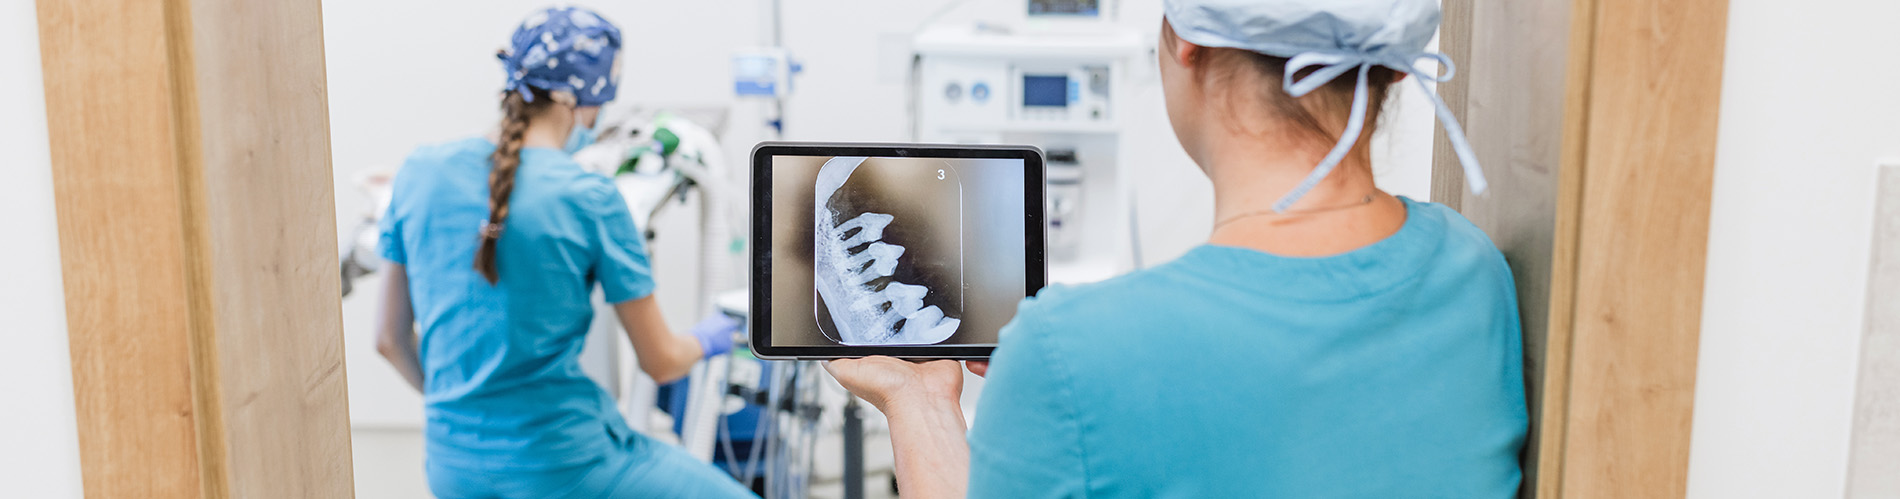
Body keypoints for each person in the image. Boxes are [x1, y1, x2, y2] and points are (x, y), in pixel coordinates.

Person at [826, 0, 1527, 497]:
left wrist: (918, 399)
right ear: (1398, 68)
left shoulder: (1071, 349)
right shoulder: (1473, 270)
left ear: (1181, 38)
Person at [374, 7, 755, 499]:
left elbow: (388, 339)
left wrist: (472, 419)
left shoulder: (419, 172)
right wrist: (714, 336)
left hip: (452, 468)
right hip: (565, 464)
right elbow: (661, 362)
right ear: (584, 102)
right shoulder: (589, 197)